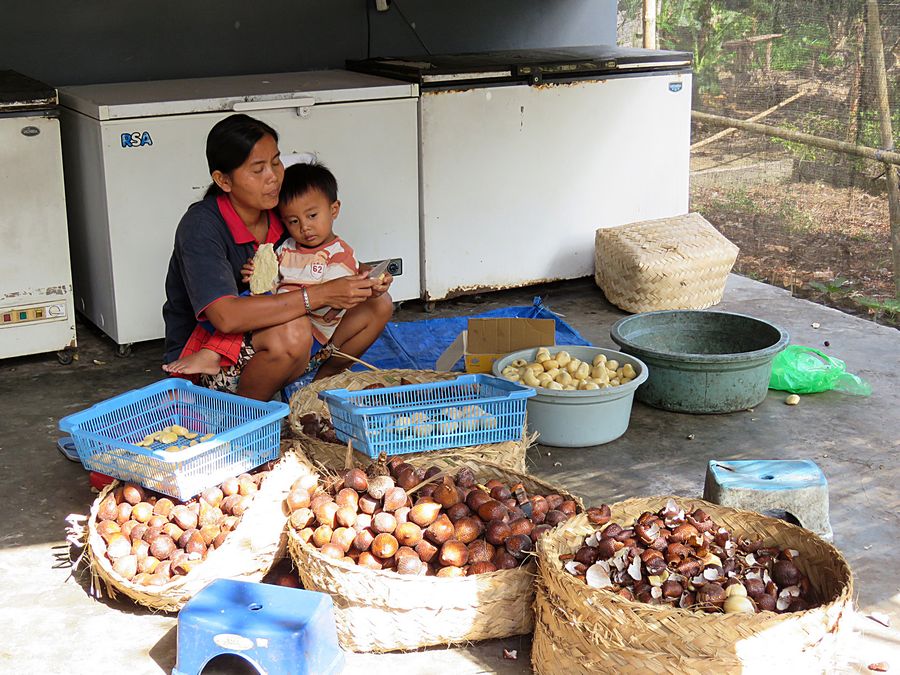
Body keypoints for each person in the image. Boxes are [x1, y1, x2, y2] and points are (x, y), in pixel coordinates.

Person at [162, 114, 393, 401]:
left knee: (377, 304)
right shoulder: (201, 226)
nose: (273, 177)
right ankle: (244, 417)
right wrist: (319, 295)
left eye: (275, 162)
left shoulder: (280, 210)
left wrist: (365, 279)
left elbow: (322, 255)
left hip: (287, 338)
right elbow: (227, 317)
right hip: (210, 355)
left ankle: (314, 392)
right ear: (223, 180)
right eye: (257, 170)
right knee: (292, 331)